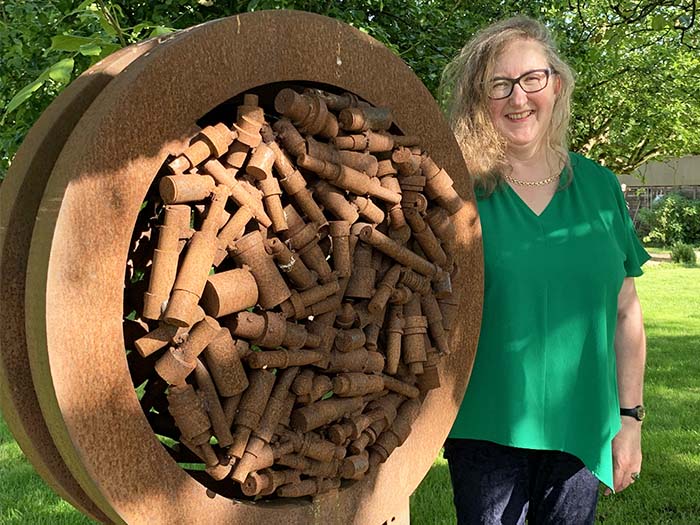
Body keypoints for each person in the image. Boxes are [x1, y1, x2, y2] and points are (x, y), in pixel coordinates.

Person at [440, 15, 649, 524]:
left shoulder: (601, 190)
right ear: (479, 99)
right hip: (485, 431)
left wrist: (630, 419)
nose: (518, 98)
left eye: (532, 79)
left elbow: (625, 312)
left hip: (582, 431)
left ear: (555, 85)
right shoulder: (455, 192)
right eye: (500, 85)